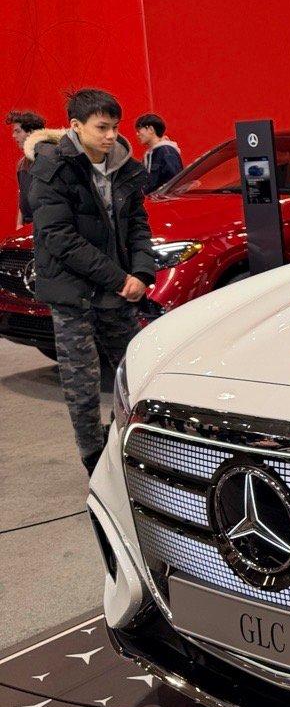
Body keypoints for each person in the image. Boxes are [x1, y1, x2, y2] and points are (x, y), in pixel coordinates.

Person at [29, 89, 157, 474]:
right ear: (76, 126)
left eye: (115, 127)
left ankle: (129, 446)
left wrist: (142, 272)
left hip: (118, 291)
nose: (111, 136)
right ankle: (94, 461)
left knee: (137, 372)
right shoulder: (53, 168)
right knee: (82, 388)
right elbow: (59, 238)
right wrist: (120, 278)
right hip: (75, 295)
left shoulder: (124, 167)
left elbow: (138, 225)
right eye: (102, 127)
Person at [6, 109, 46, 228]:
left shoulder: (49, 159)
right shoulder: (21, 164)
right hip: (29, 226)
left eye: (17, 131)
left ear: (31, 132)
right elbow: (22, 198)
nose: (14, 136)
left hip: (46, 225)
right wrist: (19, 224)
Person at [133, 113, 184, 192]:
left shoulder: (166, 152)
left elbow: (175, 185)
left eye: (139, 130)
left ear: (151, 129)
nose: (137, 134)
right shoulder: (150, 154)